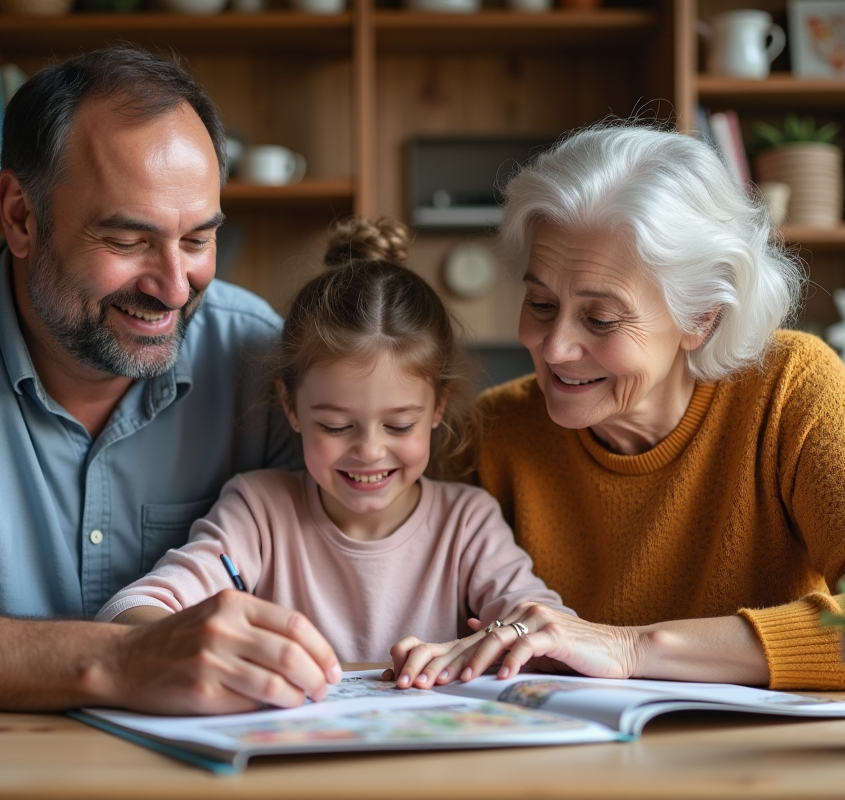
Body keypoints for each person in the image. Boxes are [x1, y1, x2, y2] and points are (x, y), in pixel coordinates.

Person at [0, 45, 344, 714]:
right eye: (128, 240)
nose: (172, 288)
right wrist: (120, 660)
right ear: (21, 214)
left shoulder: (256, 356)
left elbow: (357, 565)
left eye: (197, 239)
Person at [388, 122, 845, 692]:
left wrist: (630, 647)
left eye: (600, 318)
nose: (555, 346)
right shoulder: (496, 431)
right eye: (541, 304)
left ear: (701, 318)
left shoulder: (787, 387)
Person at [96, 218, 569, 662]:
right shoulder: (258, 511)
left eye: (399, 426)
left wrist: (504, 640)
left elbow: (549, 626)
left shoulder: (468, 524)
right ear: (291, 407)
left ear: (438, 407)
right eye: (337, 426)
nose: (369, 451)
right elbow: (133, 609)